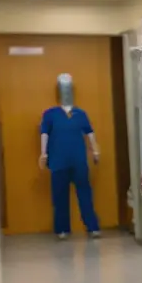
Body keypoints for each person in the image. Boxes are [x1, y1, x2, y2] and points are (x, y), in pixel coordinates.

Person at [38, 74, 101, 239]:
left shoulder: (80, 113)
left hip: (78, 161)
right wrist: (43, 153)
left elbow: (90, 133)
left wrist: (95, 150)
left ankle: (92, 227)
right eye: (63, 87)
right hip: (58, 161)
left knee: (85, 194)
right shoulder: (50, 114)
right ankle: (62, 229)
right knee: (60, 196)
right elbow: (44, 133)